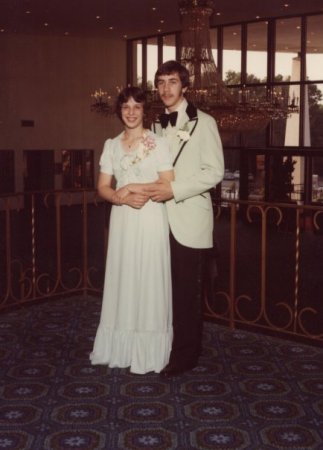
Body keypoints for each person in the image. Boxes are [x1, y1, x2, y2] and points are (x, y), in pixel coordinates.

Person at [147, 60, 224, 376]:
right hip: (154, 220)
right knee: (159, 288)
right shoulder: (153, 124)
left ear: (186, 87)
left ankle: (186, 355)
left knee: (186, 292)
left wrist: (174, 190)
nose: (165, 88)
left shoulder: (203, 123)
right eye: (161, 82)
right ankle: (162, 345)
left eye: (172, 82)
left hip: (189, 219)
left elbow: (214, 172)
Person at [90, 86, 174, 375]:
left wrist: (131, 188)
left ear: (144, 111)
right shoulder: (111, 145)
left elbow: (167, 183)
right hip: (123, 217)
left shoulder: (158, 143)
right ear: (119, 111)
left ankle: (148, 352)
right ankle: (119, 347)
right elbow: (102, 186)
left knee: (148, 275)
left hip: (150, 217)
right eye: (125, 106)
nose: (130, 112)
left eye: (136, 106)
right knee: (123, 275)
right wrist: (118, 197)